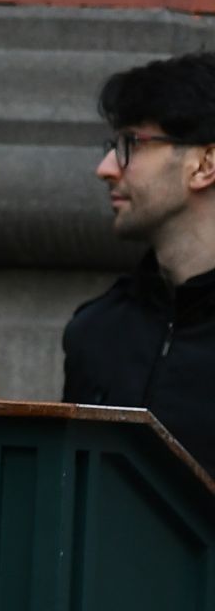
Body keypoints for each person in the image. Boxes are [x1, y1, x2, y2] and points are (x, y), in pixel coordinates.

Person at [63, 50, 215, 477]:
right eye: (113, 146)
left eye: (131, 144)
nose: (106, 168)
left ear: (203, 164)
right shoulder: (96, 332)